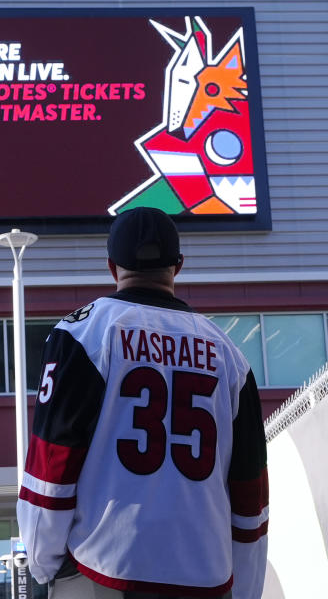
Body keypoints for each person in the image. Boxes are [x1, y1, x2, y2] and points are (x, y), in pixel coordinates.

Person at [17, 207, 269, 599]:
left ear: (112, 266)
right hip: (204, 578)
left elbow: (52, 464)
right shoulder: (231, 356)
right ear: (178, 266)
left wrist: (43, 563)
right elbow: (250, 497)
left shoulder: (83, 334)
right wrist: (247, 589)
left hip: (103, 569)